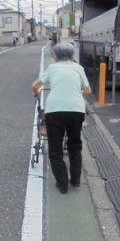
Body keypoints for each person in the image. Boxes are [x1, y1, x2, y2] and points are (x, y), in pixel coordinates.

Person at [32, 42, 91, 194]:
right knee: (75, 146)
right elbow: (87, 90)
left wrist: (36, 93)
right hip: (76, 111)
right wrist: (78, 94)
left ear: (55, 56)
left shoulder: (52, 68)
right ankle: (76, 180)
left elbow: (35, 85)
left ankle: (62, 184)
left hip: (55, 111)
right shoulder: (78, 68)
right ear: (72, 56)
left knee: (56, 149)